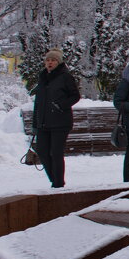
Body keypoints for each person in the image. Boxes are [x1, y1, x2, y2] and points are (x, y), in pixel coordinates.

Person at [31, 49, 80, 188]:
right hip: (43, 122)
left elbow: (75, 96)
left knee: (56, 152)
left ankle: (58, 183)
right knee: (41, 150)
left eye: (53, 60)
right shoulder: (42, 77)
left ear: (58, 62)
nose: (50, 62)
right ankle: (54, 178)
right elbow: (38, 102)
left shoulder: (65, 77)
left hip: (60, 121)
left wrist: (61, 105)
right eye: (48, 60)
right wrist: (36, 123)